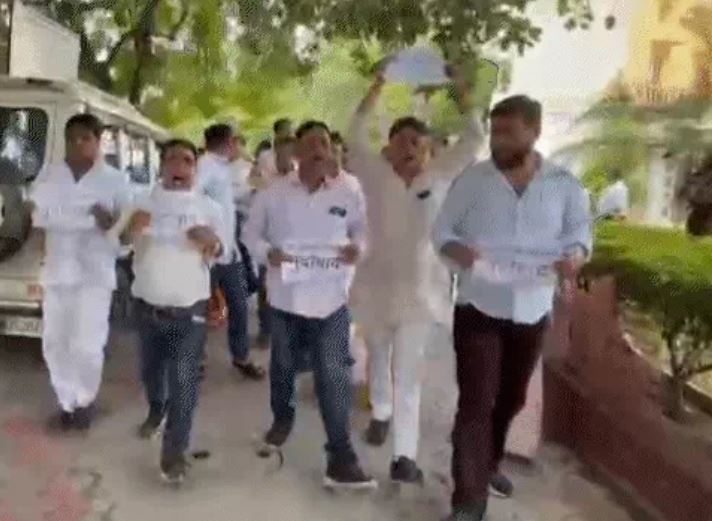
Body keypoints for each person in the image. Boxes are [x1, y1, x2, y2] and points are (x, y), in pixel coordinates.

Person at [432, 95, 592, 521]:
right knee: (476, 401)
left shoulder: (564, 185)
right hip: (479, 306)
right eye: (495, 132)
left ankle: (488, 463)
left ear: (534, 132)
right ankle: (468, 502)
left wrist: (574, 257)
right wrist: (459, 252)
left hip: (532, 310)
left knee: (510, 398)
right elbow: (442, 230)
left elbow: (580, 235)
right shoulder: (473, 181)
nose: (499, 141)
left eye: (509, 132)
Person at [347, 65, 482, 484]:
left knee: (408, 374)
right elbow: (355, 132)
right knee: (378, 359)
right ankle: (381, 412)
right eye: (402, 141)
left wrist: (460, 89)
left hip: (422, 296)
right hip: (375, 289)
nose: (409, 149)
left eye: (418, 143)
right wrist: (378, 85)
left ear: (428, 150)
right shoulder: (373, 174)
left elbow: (475, 138)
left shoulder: (439, 175)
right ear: (388, 147)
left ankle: (404, 456)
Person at [243, 120, 375, 489]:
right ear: (297, 152)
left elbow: (362, 230)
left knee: (332, 375)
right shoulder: (274, 192)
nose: (319, 149)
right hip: (286, 298)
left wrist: (358, 249)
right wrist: (267, 253)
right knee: (283, 367)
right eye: (311, 143)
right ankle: (282, 419)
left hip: (331, 299)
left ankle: (341, 456)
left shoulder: (349, 189)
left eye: (325, 143)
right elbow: (250, 233)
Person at [116, 139, 226, 485]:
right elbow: (118, 244)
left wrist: (212, 242)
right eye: (172, 159)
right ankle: (156, 410)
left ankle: (174, 453)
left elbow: (222, 253)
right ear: (162, 166)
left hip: (189, 311)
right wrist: (131, 230)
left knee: (184, 382)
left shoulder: (209, 208)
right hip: (147, 307)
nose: (179, 166)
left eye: (187, 160)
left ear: (195, 168)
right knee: (151, 372)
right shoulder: (141, 202)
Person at [30, 113, 128, 431]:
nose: (77, 144)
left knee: (87, 343)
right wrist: (38, 264)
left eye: (85, 138)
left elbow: (126, 233)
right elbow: (38, 224)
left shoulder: (114, 180)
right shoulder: (50, 176)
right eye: (72, 138)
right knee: (55, 341)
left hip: (94, 273)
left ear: (98, 141)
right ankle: (66, 402)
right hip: (57, 271)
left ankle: (84, 400)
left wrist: (108, 221)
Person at [198, 124, 264, 379]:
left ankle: (241, 356)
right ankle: (198, 358)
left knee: (239, 305)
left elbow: (229, 200)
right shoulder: (205, 165)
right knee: (202, 307)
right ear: (228, 142)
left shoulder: (223, 168)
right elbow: (194, 197)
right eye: (235, 142)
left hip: (229, 251)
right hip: (209, 253)